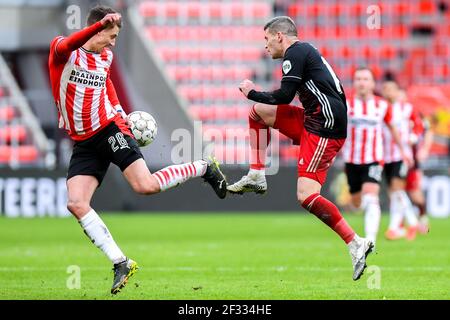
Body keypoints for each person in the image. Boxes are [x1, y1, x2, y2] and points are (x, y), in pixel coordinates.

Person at [48, 5, 227, 295]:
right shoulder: (63, 51)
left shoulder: (106, 56)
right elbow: (70, 42)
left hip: (109, 129)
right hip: (83, 142)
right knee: (76, 204)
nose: (113, 42)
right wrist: (98, 27)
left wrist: (119, 111)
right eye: (111, 35)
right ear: (96, 28)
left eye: (116, 36)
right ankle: (121, 262)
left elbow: (106, 84)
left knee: (145, 186)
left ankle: (203, 167)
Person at [227, 16, 373, 281]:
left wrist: (251, 92)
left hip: (324, 129)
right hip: (314, 119)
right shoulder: (303, 51)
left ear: (279, 36)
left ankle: (355, 243)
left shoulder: (295, 52)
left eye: (266, 38)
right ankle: (257, 174)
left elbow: (284, 95)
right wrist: (256, 100)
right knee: (258, 113)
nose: (265, 45)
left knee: (306, 195)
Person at [343, 68, 410, 246]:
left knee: (371, 196)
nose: (362, 82)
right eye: (358, 79)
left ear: (372, 83)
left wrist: (403, 150)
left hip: (374, 159)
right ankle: (359, 206)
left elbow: (392, 128)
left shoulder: (382, 105)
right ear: (354, 82)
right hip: (351, 160)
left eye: (365, 79)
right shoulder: (346, 103)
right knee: (357, 203)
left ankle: (370, 240)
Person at [381, 81, 421, 240]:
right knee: (394, 193)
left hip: (401, 155)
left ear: (397, 91)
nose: (387, 91)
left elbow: (419, 124)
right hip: (385, 156)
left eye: (391, 89)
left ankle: (408, 223)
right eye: (385, 88)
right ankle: (397, 227)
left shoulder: (406, 108)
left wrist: (413, 137)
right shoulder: (381, 108)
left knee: (397, 190)